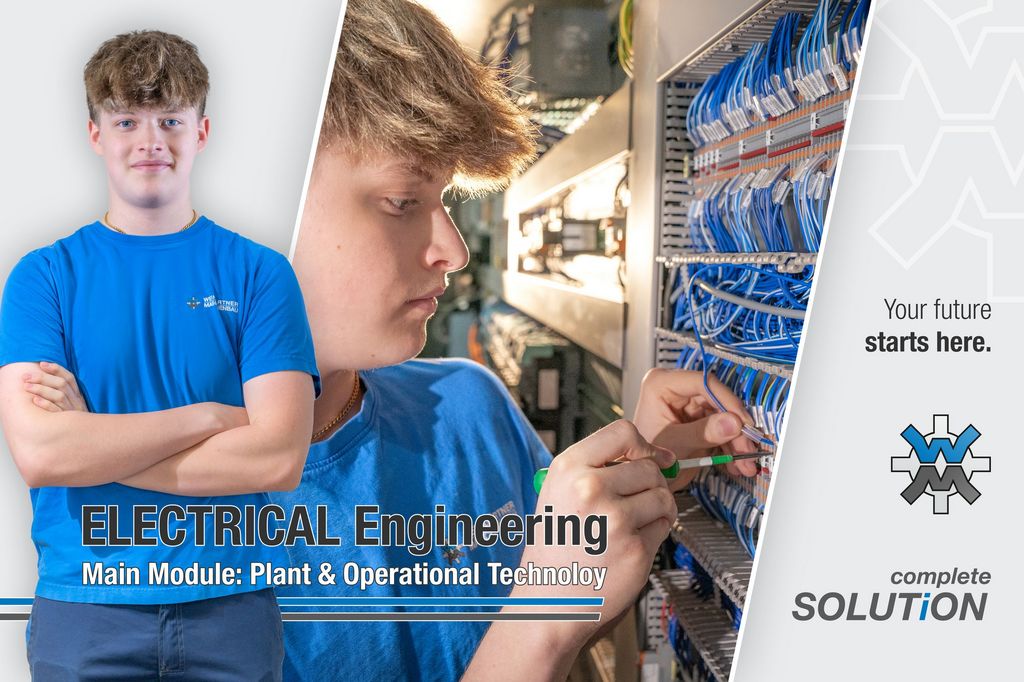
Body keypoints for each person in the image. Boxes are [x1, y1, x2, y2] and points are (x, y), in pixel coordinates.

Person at [273, 1, 758, 680]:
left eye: (445, 201)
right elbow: (538, 626)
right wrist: (536, 629)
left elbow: (568, 613)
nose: (451, 249)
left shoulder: (467, 405)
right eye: (403, 201)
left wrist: (640, 478)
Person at [0, 30, 319, 680]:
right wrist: (208, 417)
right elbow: (42, 455)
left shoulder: (260, 274)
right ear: (96, 135)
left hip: (230, 607)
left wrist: (94, 444)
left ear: (202, 130)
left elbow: (280, 458)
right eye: (127, 121)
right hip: (85, 606)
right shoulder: (43, 278)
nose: (150, 141)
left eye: (171, 119)